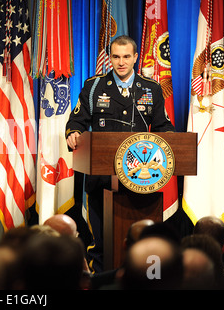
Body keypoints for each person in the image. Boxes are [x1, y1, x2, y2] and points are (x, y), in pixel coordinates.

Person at [65, 35, 175, 272]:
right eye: (116, 57)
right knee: (102, 245)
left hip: (141, 180)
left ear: (135, 57)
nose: (121, 62)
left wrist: (169, 139)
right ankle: (101, 284)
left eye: (126, 57)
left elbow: (163, 127)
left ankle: (145, 284)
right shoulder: (94, 86)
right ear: (110, 58)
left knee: (143, 243)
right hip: (102, 181)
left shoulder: (151, 88)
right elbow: (77, 121)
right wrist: (73, 133)